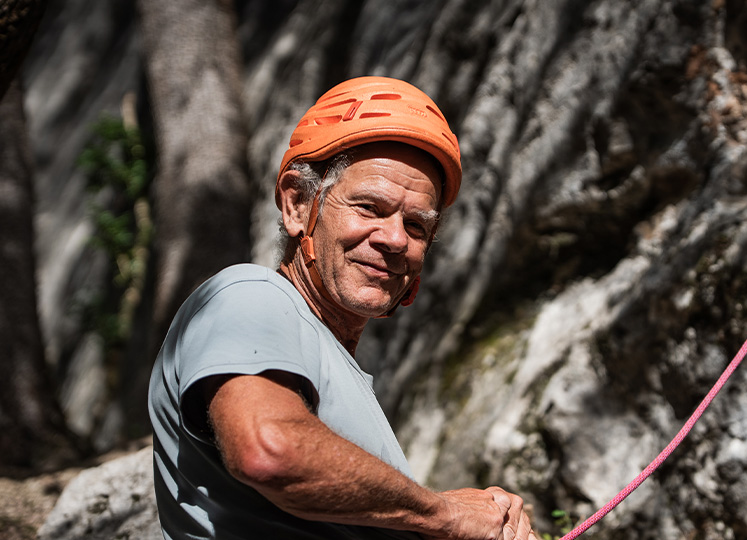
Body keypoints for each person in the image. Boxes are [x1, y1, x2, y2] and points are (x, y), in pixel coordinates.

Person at [148, 77, 537, 540]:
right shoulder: (248, 294)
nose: (395, 239)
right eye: (370, 207)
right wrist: (446, 514)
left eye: (416, 225)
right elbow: (269, 451)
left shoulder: (328, 362)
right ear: (297, 204)